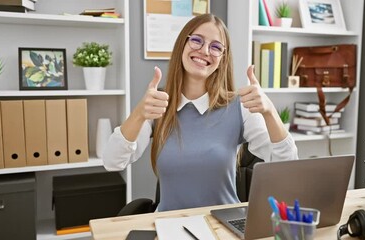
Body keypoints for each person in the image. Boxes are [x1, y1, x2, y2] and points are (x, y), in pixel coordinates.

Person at [103, 14, 298, 212]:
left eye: (216, 47)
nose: (205, 51)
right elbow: (113, 161)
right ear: (182, 45)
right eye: (196, 40)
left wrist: (269, 111)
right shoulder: (159, 103)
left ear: (222, 59)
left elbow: (287, 163)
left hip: (224, 225)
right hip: (170, 224)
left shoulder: (240, 106)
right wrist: (139, 114)